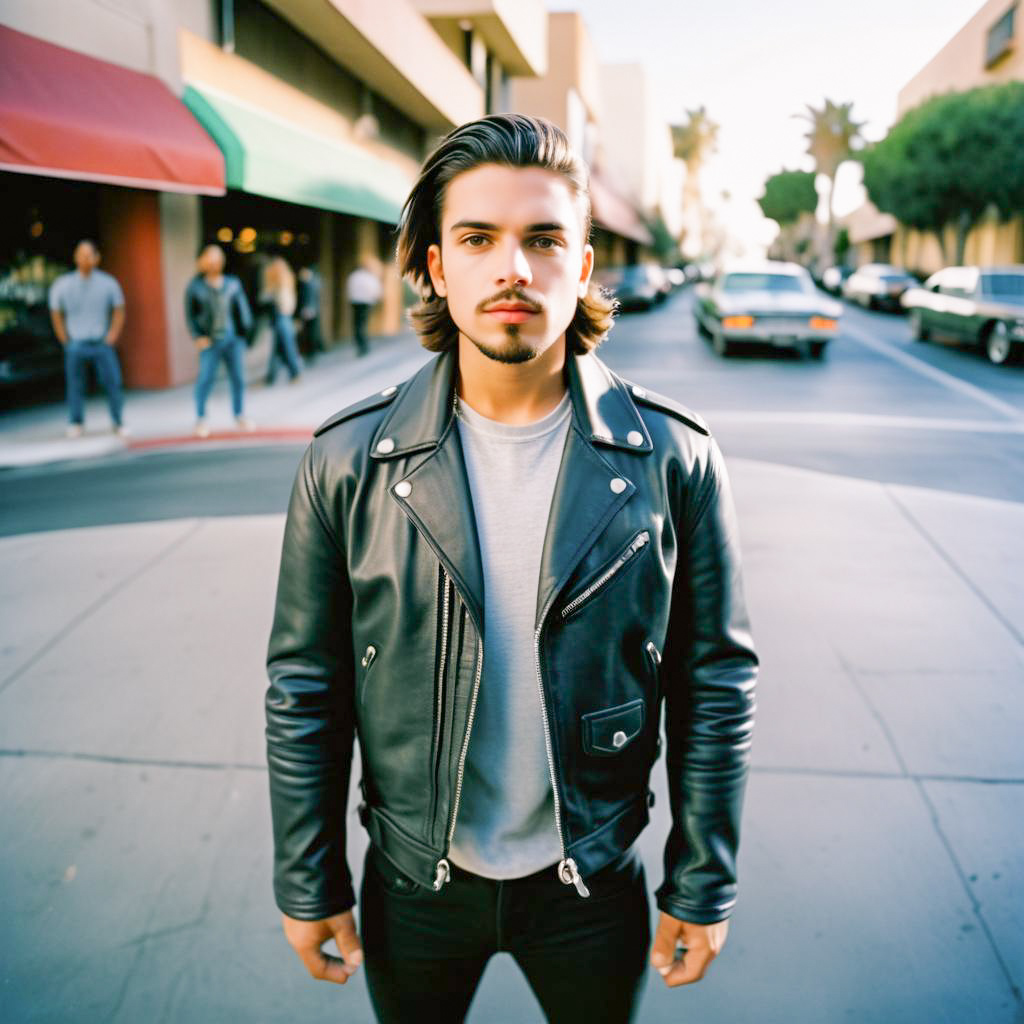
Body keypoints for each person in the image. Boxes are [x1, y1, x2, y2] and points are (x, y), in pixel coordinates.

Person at [265, 114, 758, 1024]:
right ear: (436, 265)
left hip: (592, 884)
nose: (513, 269)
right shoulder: (347, 460)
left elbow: (714, 680)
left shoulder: (672, 456)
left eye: (543, 239)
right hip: (414, 883)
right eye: (478, 238)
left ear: (581, 263)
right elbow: (305, 683)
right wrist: (308, 877)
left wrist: (702, 882)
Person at [48, 239, 128, 438]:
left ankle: (118, 421)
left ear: (97, 258)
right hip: (76, 343)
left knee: (113, 382)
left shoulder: (108, 283)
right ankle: (76, 422)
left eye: (89, 255)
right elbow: (56, 313)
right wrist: (64, 339)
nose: (85, 259)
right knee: (75, 384)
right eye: (81, 254)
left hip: (101, 342)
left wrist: (112, 335)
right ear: (75, 257)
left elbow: (119, 310)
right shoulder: (63, 284)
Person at [184, 244, 254, 438]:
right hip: (210, 341)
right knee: (205, 379)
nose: (215, 262)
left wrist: (244, 335)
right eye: (210, 258)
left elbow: (243, 311)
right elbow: (190, 315)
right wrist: (197, 337)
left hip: (233, 339)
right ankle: (201, 419)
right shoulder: (195, 286)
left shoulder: (233, 283)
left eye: (218, 257)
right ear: (204, 261)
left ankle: (240, 415)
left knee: (238, 378)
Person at [261, 256, 303, 384]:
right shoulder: (283, 281)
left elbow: (279, 301)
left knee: (287, 347)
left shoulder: (281, 283)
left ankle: (294, 373)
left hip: (281, 317)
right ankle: (272, 376)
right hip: (282, 317)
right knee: (279, 348)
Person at [345, 259, 382, 356]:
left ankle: (360, 345)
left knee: (357, 325)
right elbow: (376, 290)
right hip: (367, 303)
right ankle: (364, 345)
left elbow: (349, 289)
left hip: (356, 302)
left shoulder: (353, 276)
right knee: (363, 324)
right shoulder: (370, 277)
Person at [296, 264, 326, 362]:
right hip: (313, 309)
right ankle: (318, 349)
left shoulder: (308, 283)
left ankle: (312, 352)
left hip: (309, 310)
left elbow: (307, 298)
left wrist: (306, 309)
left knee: (310, 332)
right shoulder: (315, 281)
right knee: (313, 331)